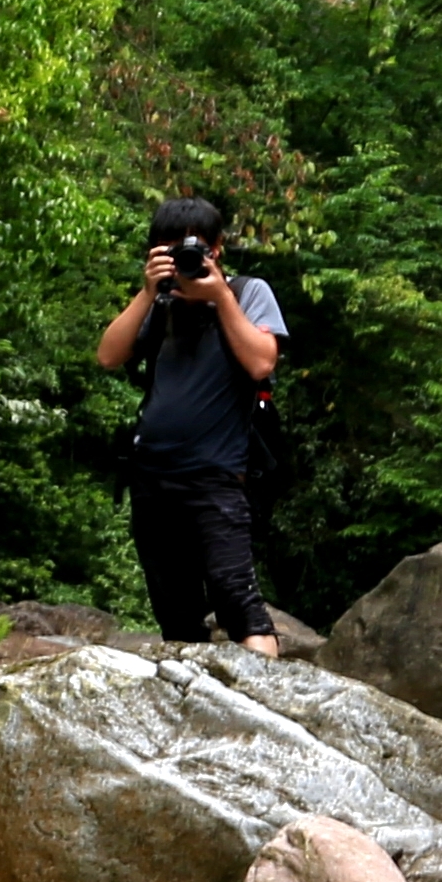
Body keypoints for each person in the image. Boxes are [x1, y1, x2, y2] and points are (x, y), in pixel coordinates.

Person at [91, 193, 288, 646]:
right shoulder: (157, 304)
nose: (186, 256)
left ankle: (265, 703)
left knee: (235, 595)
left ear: (217, 247)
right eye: (171, 247)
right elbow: (108, 356)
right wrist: (147, 292)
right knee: (173, 606)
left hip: (217, 473)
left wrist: (218, 295)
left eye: (194, 246)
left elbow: (262, 363)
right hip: (151, 474)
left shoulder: (246, 293)